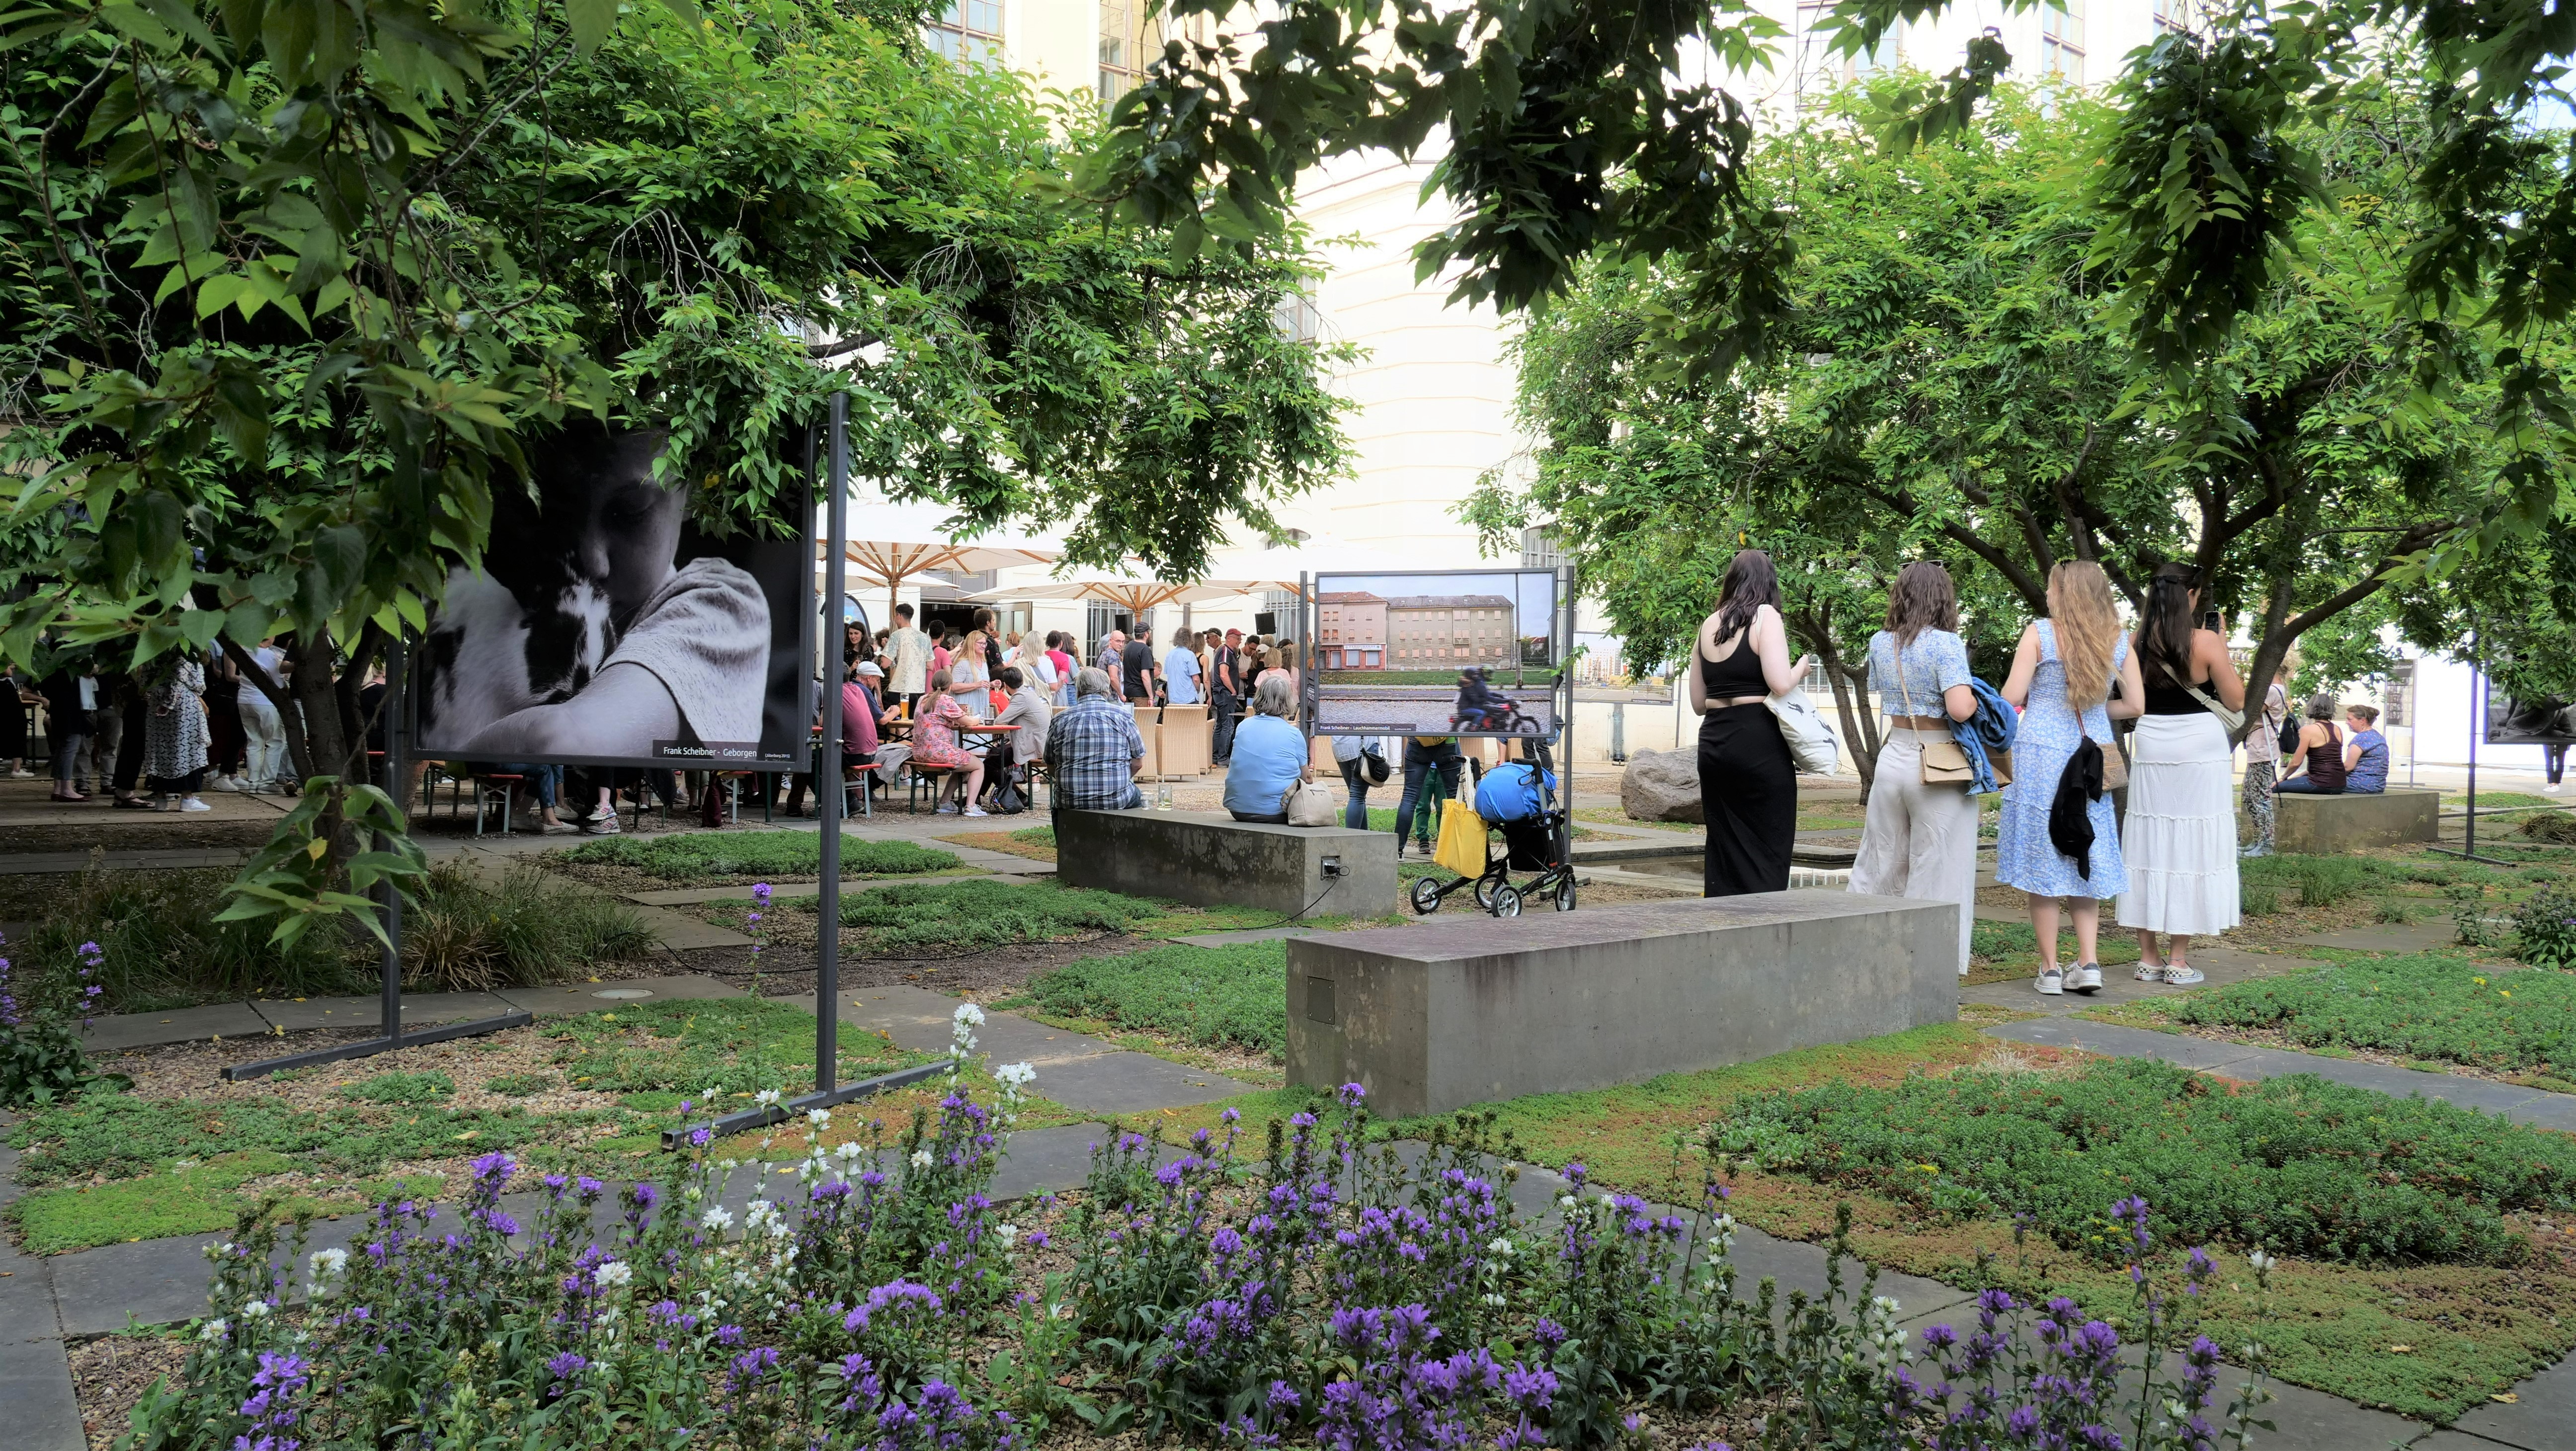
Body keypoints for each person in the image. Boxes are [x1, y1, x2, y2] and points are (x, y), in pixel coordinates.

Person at [1995, 561, 2146, 996]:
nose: (2046, 594)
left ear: (2062, 592)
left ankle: (2050, 970)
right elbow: (2135, 704)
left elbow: (2012, 696)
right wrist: (2099, 711)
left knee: (2043, 854)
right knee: (2087, 847)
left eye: (2050, 588)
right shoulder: (2118, 640)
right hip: (2091, 756)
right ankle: (2090, 963)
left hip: (2041, 755)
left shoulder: (2040, 634)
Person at [1847, 561, 1981, 977]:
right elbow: (1960, 707)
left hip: (1894, 756)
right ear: (1943, 599)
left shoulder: (1880, 642)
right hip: (1938, 760)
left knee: (1882, 859)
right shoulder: (1946, 644)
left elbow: (1879, 693)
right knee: (1938, 861)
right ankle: (1927, 964)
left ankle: (1862, 948)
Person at [2115, 563, 2246, 986]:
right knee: (2192, 844)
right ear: (2192, 595)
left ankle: (2148, 958)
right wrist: (2221, 645)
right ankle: (2178, 959)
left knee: (2150, 842)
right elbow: (2236, 698)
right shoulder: (2204, 641)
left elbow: (2125, 696)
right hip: (2200, 746)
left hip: (2153, 740)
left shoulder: (2135, 642)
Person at [1690, 550, 1814, 897]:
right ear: (1768, 583)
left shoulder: (1708, 624)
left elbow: (1699, 703)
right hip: (1756, 740)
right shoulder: (1766, 616)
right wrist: (1801, 669)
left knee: (1724, 840)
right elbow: (1779, 683)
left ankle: (1722, 918)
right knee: (1768, 837)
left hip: (1714, 742)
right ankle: (1763, 922)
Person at [1046, 667, 1146, 810]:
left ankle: (1063, 833)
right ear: (1106, 690)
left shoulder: (1060, 719)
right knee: (1137, 797)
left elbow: (1050, 766)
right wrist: (1117, 779)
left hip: (1070, 801)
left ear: (1078, 690)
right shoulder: (1124, 717)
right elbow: (1138, 764)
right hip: (1116, 799)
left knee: (1058, 802)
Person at [1223, 674, 1313, 823]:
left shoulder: (1243, 727)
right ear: (1287, 701)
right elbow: (1307, 778)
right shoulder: (1293, 734)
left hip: (1238, 809)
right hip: (1277, 810)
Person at [908, 668, 988, 816]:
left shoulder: (922, 699)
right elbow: (969, 722)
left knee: (963, 766)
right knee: (978, 766)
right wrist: (979, 718)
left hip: (919, 752)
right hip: (938, 752)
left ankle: (945, 802)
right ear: (950, 686)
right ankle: (971, 806)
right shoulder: (946, 700)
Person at [142, 654, 213, 811]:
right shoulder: (186, 655)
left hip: (156, 703)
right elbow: (186, 682)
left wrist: (157, 700)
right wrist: (169, 703)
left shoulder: (153, 654)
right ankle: (187, 798)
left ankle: (161, 799)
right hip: (184, 706)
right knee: (187, 750)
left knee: (160, 750)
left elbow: (144, 680)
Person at [2241, 667, 2292, 858]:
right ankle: (2258, 840)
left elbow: (2249, 712)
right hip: (2259, 748)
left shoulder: (2272, 691)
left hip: (2265, 750)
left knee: (2261, 799)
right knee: (2248, 796)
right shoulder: (2278, 689)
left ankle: (2266, 845)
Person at [238, 640, 294, 793]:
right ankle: (267, 783)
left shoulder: (243, 651)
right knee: (275, 742)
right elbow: (279, 682)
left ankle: (253, 782)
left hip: (244, 699)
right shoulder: (268, 655)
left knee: (254, 742)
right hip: (265, 702)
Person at [1395, 734, 1465, 857]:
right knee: (1456, 797)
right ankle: (1462, 849)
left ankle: (1397, 850)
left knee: (1409, 797)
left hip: (1418, 744)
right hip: (1448, 744)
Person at [990, 665, 1051, 805]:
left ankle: (1021, 796)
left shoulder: (1020, 698)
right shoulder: (1028, 693)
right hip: (1041, 743)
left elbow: (1000, 721)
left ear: (1005, 685)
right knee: (992, 760)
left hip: (1036, 747)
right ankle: (976, 800)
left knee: (991, 762)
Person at [2275, 695, 2348, 795]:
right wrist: (2301, 775)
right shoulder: (2337, 729)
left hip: (2320, 783)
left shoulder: (2308, 730)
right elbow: (2328, 761)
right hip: (2340, 783)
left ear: (2312, 707)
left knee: (2273, 789)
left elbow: (2296, 763)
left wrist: (2283, 777)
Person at [38, 665, 91, 802]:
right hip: (71, 711)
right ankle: (66, 788)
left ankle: (58, 787)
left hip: (59, 710)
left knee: (61, 748)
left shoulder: (49, 667)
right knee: (70, 747)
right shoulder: (69, 668)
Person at [1332, 734, 1385, 829]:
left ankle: (1364, 836)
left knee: (1357, 796)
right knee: (1357, 796)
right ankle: (1352, 840)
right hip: (1362, 745)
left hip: (1340, 746)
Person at [886, 604, 932, 710]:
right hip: (918, 688)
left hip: (899, 687)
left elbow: (885, 663)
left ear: (899, 615)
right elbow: (930, 665)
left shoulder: (896, 635)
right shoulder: (924, 637)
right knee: (913, 721)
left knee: (897, 720)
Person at [1210, 628, 1244, 763]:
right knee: (1228, 725)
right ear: (1229, 638)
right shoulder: (1225, 652)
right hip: (1225, 693)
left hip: (1221, 693)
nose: (1240, 641)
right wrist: (1233, 690)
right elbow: (1223, 673)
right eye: (1237, 638)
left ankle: (1215, 757)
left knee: (1221, 724)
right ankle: (1223, 758)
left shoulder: (1227, 652)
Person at [2342, 704, 2390, 795]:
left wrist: (2323, 772)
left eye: (2350, 719)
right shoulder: (2378, 737)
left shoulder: (2361, 739)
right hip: (2377, 785)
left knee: (2310, 782)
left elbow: (2348, 767)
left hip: (2359, 784)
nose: (2346, 722)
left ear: (2363, 721)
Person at [0, 665, 32, 778]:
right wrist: (13, 666)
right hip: (6, 689)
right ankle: (16, 769)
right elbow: (7, 672)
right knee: (19, 726)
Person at [1122, 627, 1159, 707]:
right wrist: (1151, 697)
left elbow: (1124, 669)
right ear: (1146, 634)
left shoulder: (1129, 646)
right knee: (1142, 719)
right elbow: (1145, 676)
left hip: (1128, 692)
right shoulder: (1145, 649)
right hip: (1141, 694)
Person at [1164, 630, 1203, 706]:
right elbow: (1196, 679)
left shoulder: (1169, 655)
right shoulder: (1190, 655)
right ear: (1189, 640)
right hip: (1189, 698)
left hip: (1173, 699)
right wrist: (1198, 690)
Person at [1044, 632, 1076, 708]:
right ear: (1061, 643)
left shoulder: (1043, 655)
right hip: (1060, 689)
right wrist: (1054, 692)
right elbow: (1061, 678)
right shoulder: (1065, 657)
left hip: (1045, 688)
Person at [1092, 630, 1127, 700]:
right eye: (1118, 641)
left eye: (1123, 642)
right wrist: (1121, 695)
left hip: (1101, 695)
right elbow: (1113, 678)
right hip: (1110, 697)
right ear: (1111, 641)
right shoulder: (1113, 655)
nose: (1121, 644)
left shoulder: (1104, 654)